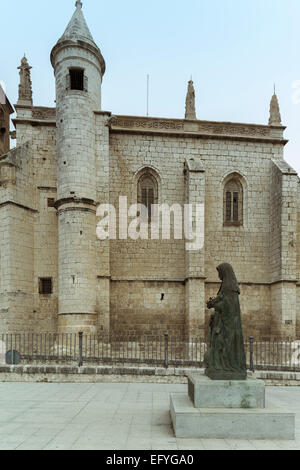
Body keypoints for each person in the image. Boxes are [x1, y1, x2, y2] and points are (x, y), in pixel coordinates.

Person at [205, 263, 247, 380]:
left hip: (228, 325)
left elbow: (228, 307)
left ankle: (225, 366)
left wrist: (215, 305)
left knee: (221, 343)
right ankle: (218, 366)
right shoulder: (225, 286)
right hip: (221, 322)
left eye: (219, 272)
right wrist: (213, 303)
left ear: (224, 272)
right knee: (217, 343)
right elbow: (221, 300)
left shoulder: (230, 288)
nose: (218, 274)